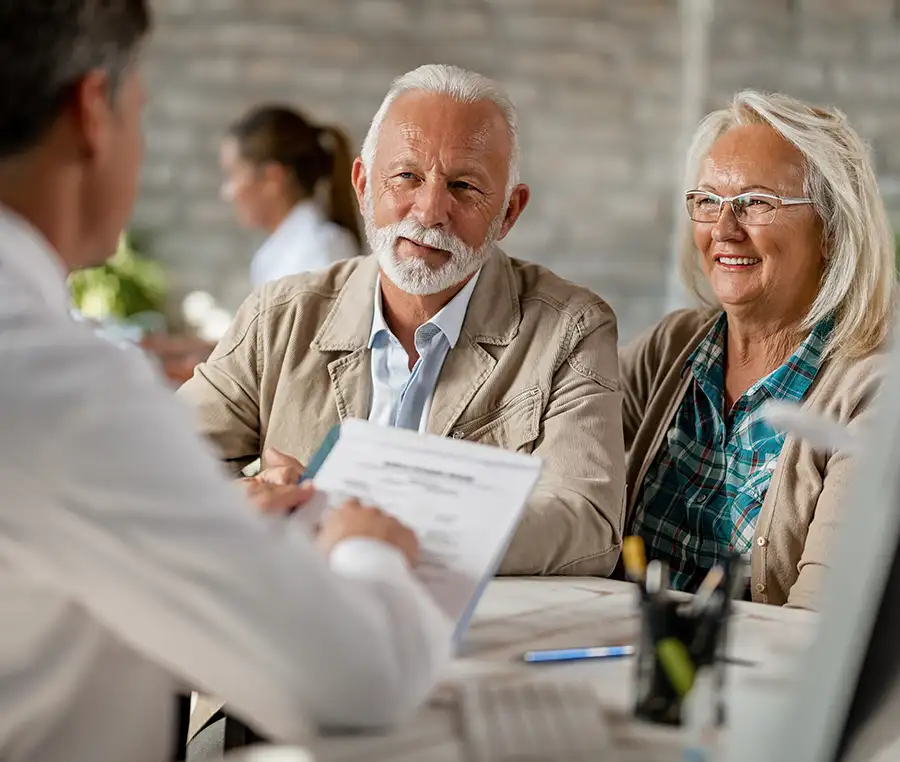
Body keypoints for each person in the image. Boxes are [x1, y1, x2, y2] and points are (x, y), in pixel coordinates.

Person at [0, 4, 452, 762]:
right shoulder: (66, 389)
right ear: (91, 114)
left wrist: (207, 513)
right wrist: (365, 547)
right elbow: (356, 680)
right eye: (139, 114)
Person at [179, 64, 627, 577]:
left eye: (463, 186)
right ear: (363, 185)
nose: (430, 209)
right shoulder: (278, 316)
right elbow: (158, 462)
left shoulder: (571, 330)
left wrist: (392, 530)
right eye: (407, 176)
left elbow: (588, 523)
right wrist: (244, 499)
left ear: (508, 212)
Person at [621, 91, 894, 608]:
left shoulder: (874, 394)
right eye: (707, 201)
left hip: (759, 679)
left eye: (756, 203)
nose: (724, 230)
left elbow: (817, 623)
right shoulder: (670, 347)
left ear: (831, 231)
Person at [220, 105, 361, 287]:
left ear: (272, 178)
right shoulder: (275, 254)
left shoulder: (323, 249)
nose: (227, 193)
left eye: (233, 175)